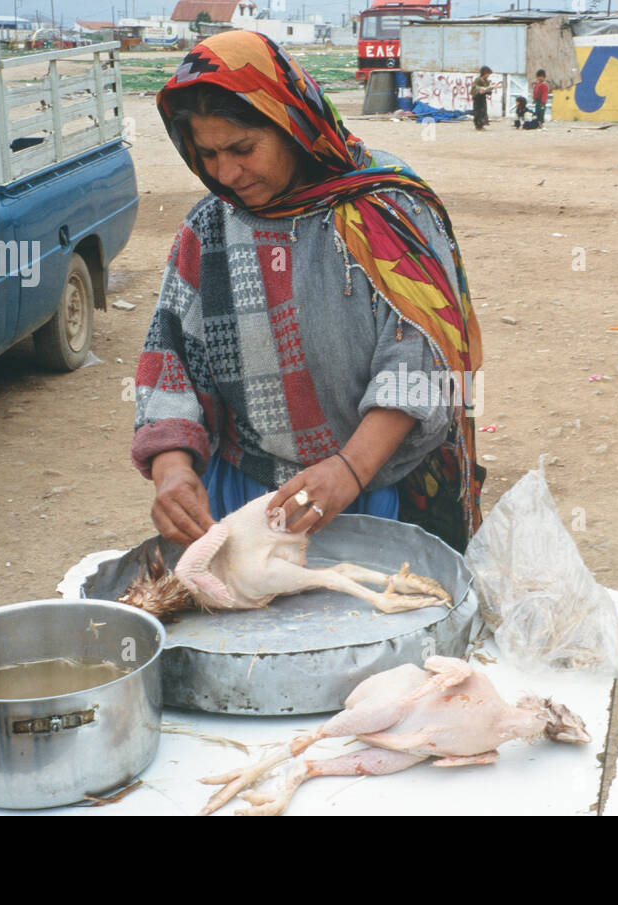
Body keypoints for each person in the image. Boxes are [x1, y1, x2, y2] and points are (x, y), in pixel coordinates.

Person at [131, 31, 485, 554]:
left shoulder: (384, 212)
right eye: (206, 153)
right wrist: (173, 470)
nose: (224, 172)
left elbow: (421, 361)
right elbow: (169, 359)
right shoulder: (209, 229)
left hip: (374, 487)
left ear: (290, 124)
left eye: (242, 148)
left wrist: (347, 470)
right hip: (247, 496)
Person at [470, 66, 499, 130]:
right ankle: (478, 125)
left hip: (483, 97)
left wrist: (489, 90)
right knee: (477, 111)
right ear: (484, 73)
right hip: (477, 98)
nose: (488, 75)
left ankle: (482, 124)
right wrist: (480, 89)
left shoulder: (486, 81)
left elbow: (487, 89)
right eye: (487, 74)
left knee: (483, 111)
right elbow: (474, 87)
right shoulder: (478, 80)